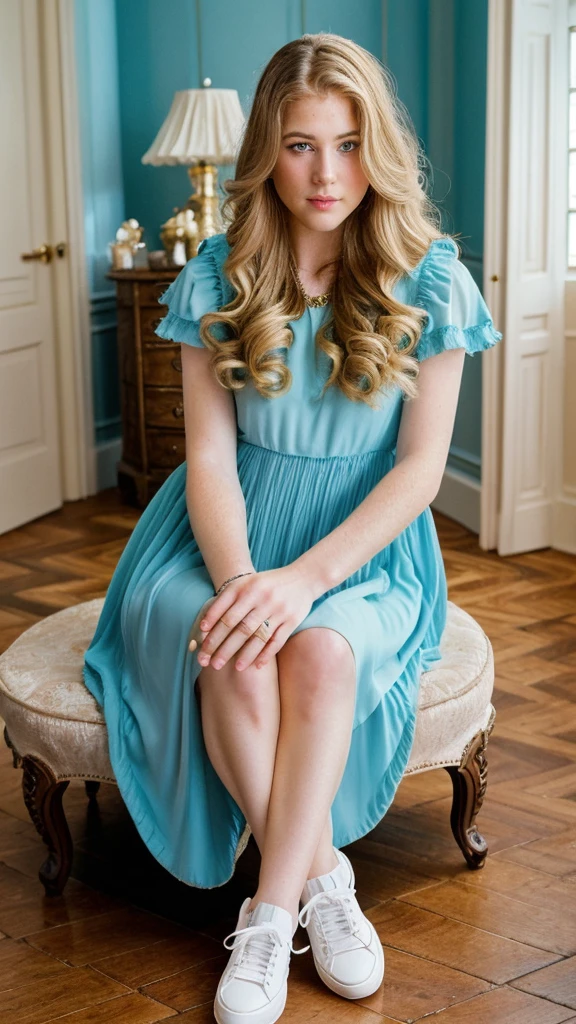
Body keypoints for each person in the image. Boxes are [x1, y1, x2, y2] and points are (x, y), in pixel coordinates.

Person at [83, 32, 502, 1024]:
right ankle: (318, 885)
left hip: (362, 546)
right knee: (228, 643)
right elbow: (213, 462)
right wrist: (242, 581)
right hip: (216, 534)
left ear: (379, 150)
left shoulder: (433, 281)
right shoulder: (215, 278)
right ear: (267, 149)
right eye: (302, 144)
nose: (327, 173)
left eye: (350, 144)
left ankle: (265, 912)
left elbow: (417, 471)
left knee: (315, 652)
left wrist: (302, 580)